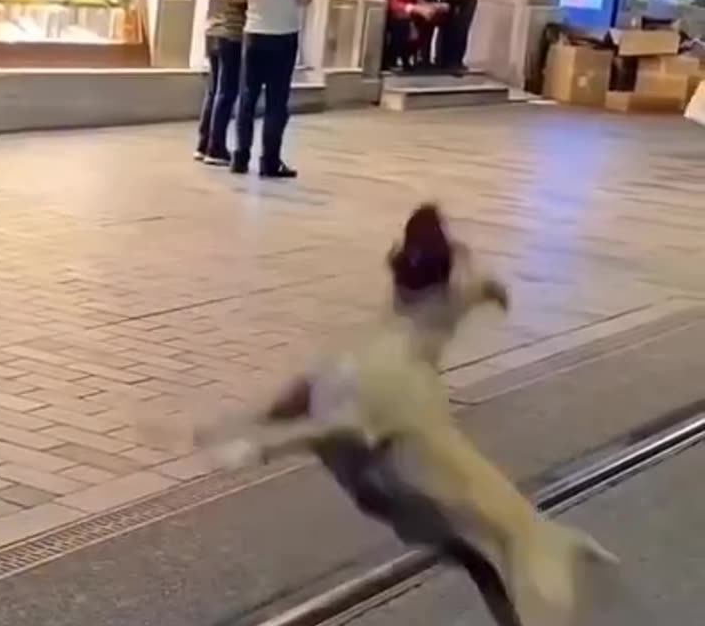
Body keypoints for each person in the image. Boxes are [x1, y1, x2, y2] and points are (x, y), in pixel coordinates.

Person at [179, 204, 616, 626]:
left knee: (484, 548)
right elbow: (467, 294)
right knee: (489, 543)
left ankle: (535, 556)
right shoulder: (406, 350)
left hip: (396, 472)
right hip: (405, 467)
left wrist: (251, 438)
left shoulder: (382, 341)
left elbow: (466, 293)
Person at [232, 0, 310, 179]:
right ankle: (269, 161)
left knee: (247, 97)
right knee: (277, 101)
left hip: (253, 31)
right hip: (283, 34)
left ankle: (240, 158)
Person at [196, 0, 274, 166]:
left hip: (212, 26)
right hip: (233, 29)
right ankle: (216, 148)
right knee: (227, 91)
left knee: (214, 90)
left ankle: (204, 142)